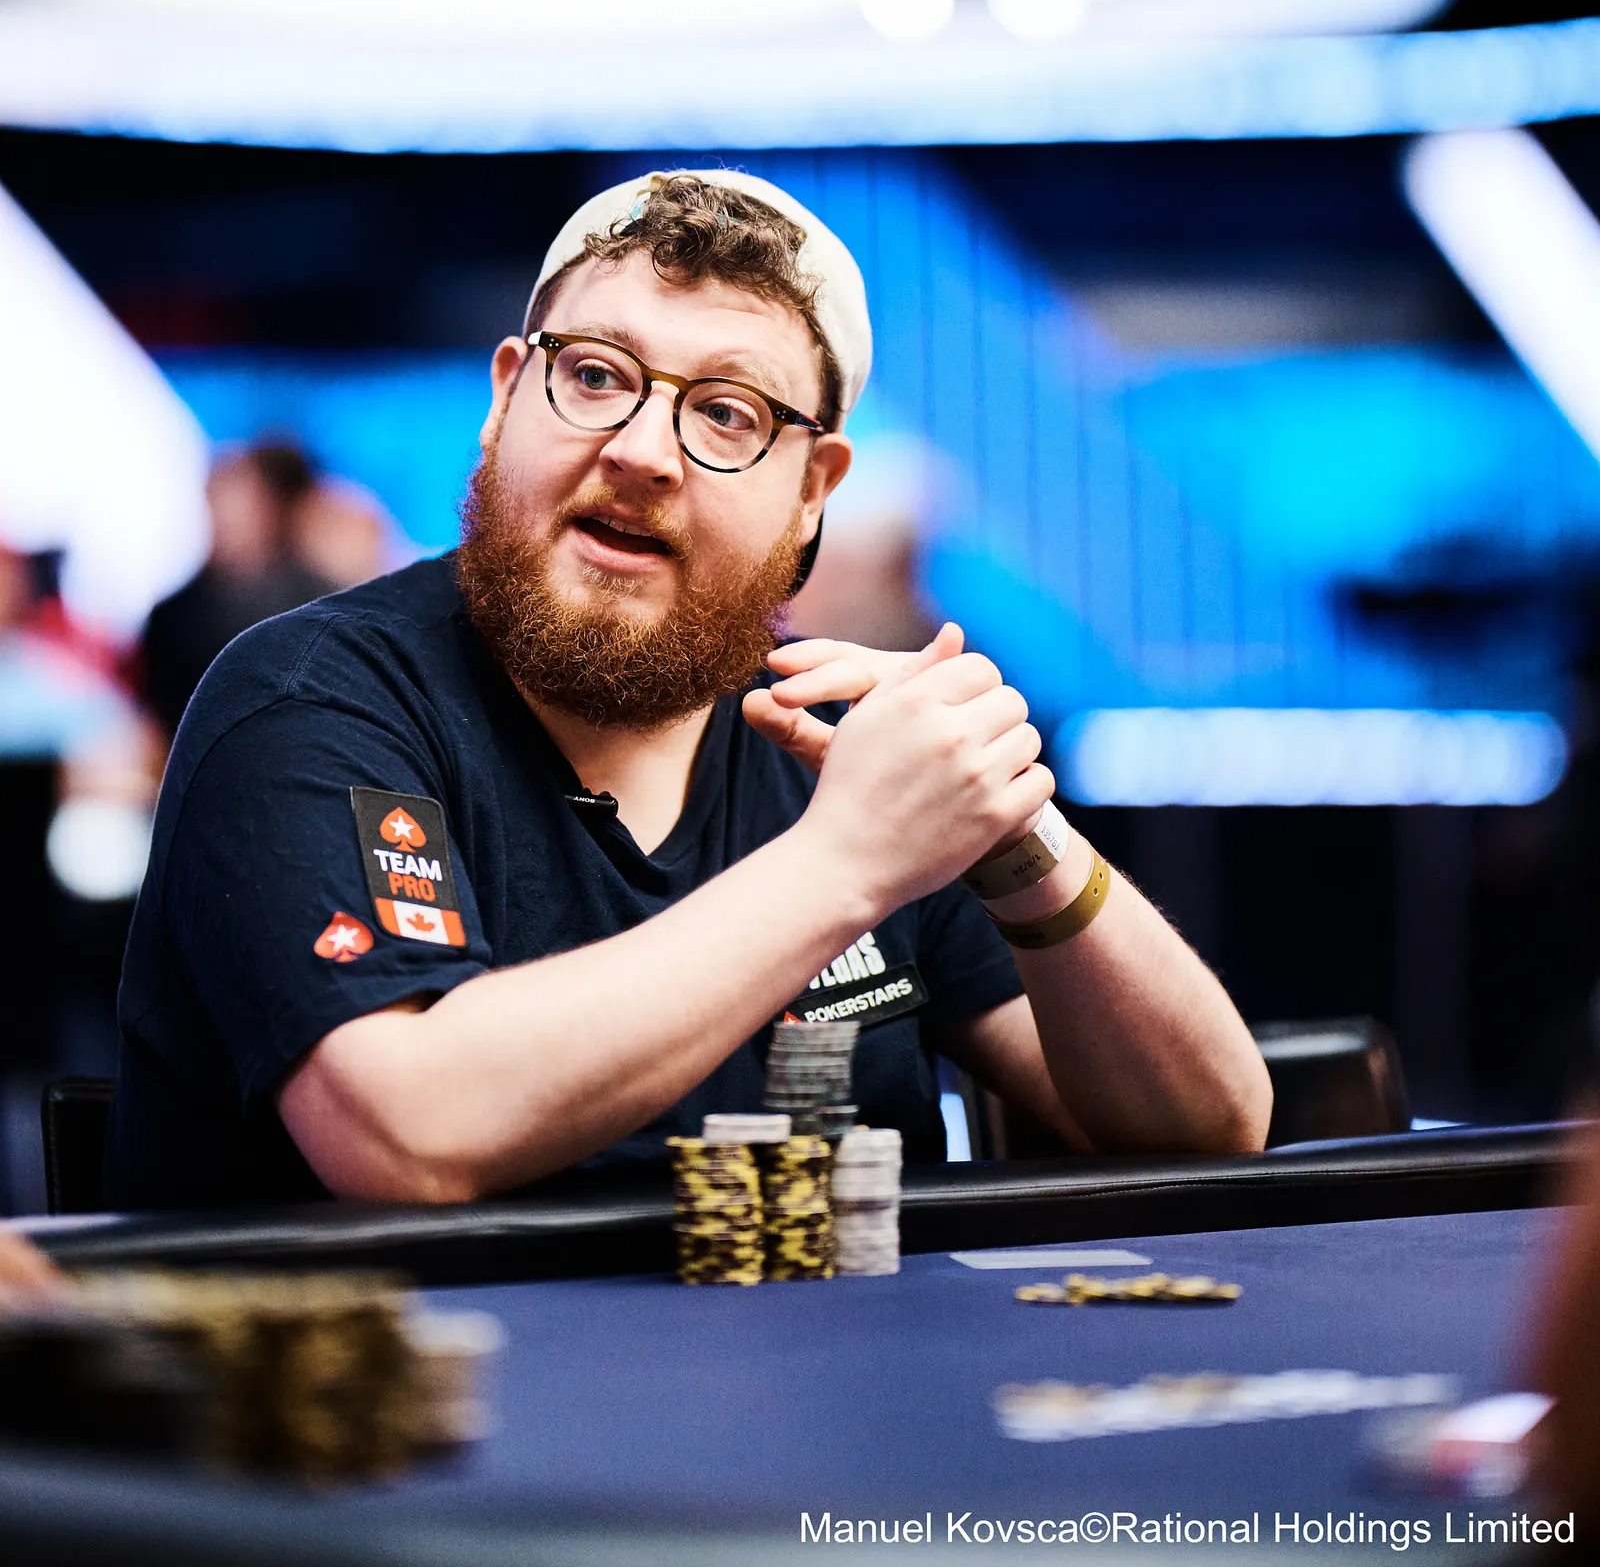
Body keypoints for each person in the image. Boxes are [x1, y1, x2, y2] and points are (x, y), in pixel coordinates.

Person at [108, 171, 1270, 1209]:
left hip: (846, 1381)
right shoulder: (310, 700)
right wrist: (852, 858)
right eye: (595, 376)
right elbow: (405, 1135)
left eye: (726, 413)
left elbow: (1208, 1128)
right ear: (505, 400)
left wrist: (1013, 833)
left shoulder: (833, 741)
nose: (642, 451)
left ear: (811, 494)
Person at [139, 442, 336, 741]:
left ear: (269, 507)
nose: (225, 515)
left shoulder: (319, 606)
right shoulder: (172, 616)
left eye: (238, 502)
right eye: (217, 499)